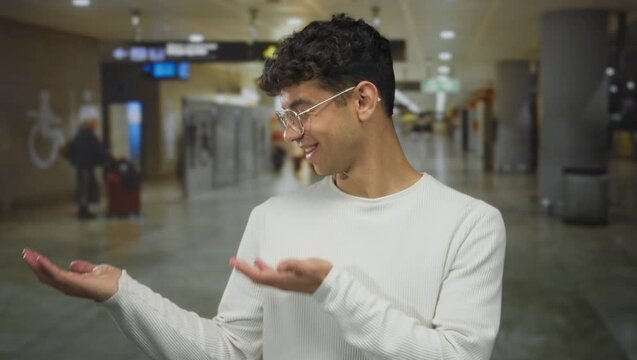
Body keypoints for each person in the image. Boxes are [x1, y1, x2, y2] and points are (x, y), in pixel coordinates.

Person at [22, 14, 506, 360]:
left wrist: (333, 289)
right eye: (284, 115)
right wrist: (122, 295)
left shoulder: (468, 225)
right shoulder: (273, 218)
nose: (292, 133)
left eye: (301, 110)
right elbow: (231, 350)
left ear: (362, 99)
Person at [66, 118, 108, 219]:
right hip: (86, 165)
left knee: (83, 188)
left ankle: (83, 209)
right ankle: (83, 211)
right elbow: (97, 149)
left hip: (81, 165)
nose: (96, 127)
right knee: (85, 188)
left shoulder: (79, 135)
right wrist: (106, 159)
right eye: (95, 125)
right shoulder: (89, 136)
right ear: (91, 126)